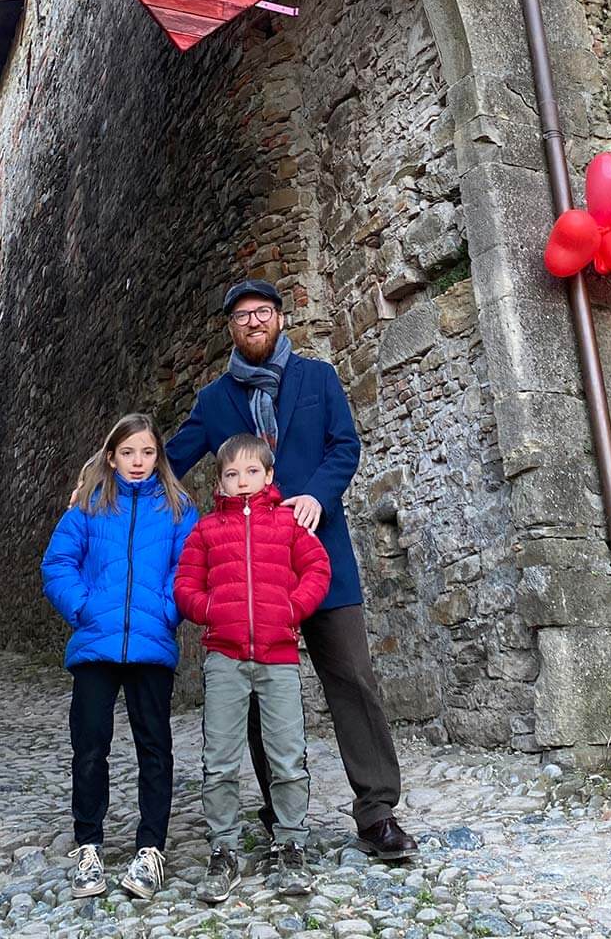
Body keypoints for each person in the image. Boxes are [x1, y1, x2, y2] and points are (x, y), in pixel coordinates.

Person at [165, 278, 417, 862]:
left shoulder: (318, 380)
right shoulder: (213, 401)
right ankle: (280, 810)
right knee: (253, 692)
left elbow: (343, 447)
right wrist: (112, 475)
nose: (253, 322)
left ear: (281, 319)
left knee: (352, 676)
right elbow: (171, 463)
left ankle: (376, 812)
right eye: (242, 316)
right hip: (247, 579)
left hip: (317, 555)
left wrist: (316, 497)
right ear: (231, 327)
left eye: (263, 312)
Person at [42, 413, 198, 902]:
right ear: (111, 457)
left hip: (151, 646)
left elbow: (189, 565)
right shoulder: (89, 507)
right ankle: (88, 845)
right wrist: (84, 607)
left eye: (147, 452)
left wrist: (168, 612)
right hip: (96, 645)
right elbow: (57, 564)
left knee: (155, 748)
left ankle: (150, 848)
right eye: (128, 453)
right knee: (90, 747)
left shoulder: (177, 509)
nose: (138, 462)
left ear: (159, 457)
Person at [175, 432, 332, 902]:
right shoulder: (205, 531)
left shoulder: (287, 525)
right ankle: (223, 849)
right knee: (219, 760)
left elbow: (318, 570)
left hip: (278, 656)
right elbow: (184, 584)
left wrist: (290, 608)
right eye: (230, 474)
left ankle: (290, 843)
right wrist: (211, 610)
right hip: (224, 658)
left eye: (251, 472)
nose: (241, 481)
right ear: (219, 483)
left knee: (287, 756)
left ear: (268, 476)